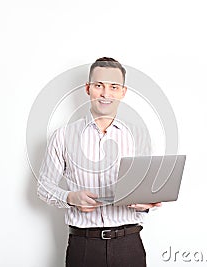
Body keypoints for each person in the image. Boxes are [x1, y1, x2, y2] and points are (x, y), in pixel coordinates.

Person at [38, 57, 161, 267]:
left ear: (123, 92)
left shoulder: (138, 136)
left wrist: (147, 203)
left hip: (128, 245)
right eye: (99, 86)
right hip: (83, 247)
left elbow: (146, 189)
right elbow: (43, 187)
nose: (106, 94)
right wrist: (70, 197)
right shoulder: (63, 135)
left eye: (114, 87)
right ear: (88, 89)